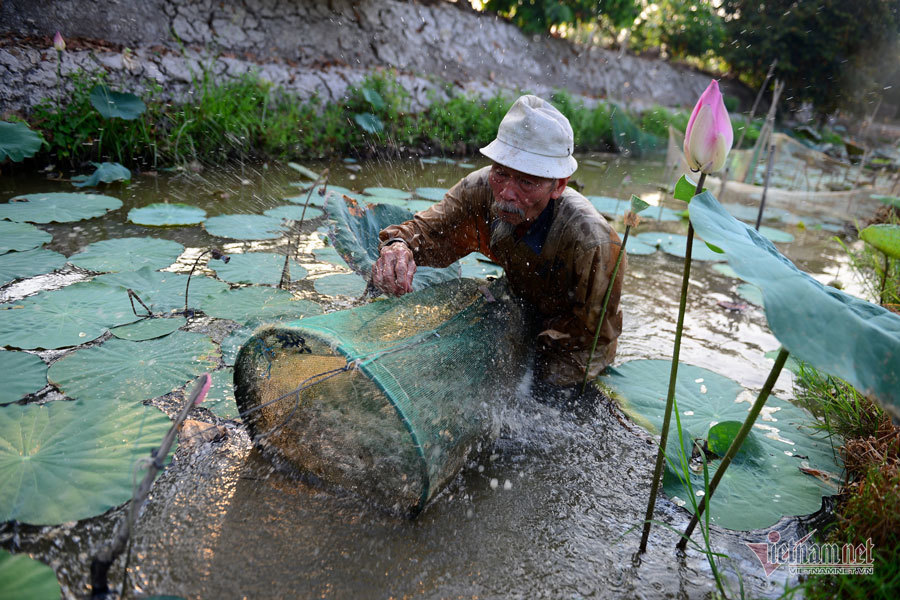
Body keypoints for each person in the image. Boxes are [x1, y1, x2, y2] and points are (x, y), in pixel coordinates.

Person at [372, 95, 625, 395]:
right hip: (516, 299)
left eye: (526, 183)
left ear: (558, 185)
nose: (506, 192)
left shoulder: (592, 243)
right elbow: (427, 233)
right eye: (501, 173)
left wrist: (540, 382)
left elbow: (593, 337)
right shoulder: (479, 189)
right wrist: (399, 247)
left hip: (570, 334)